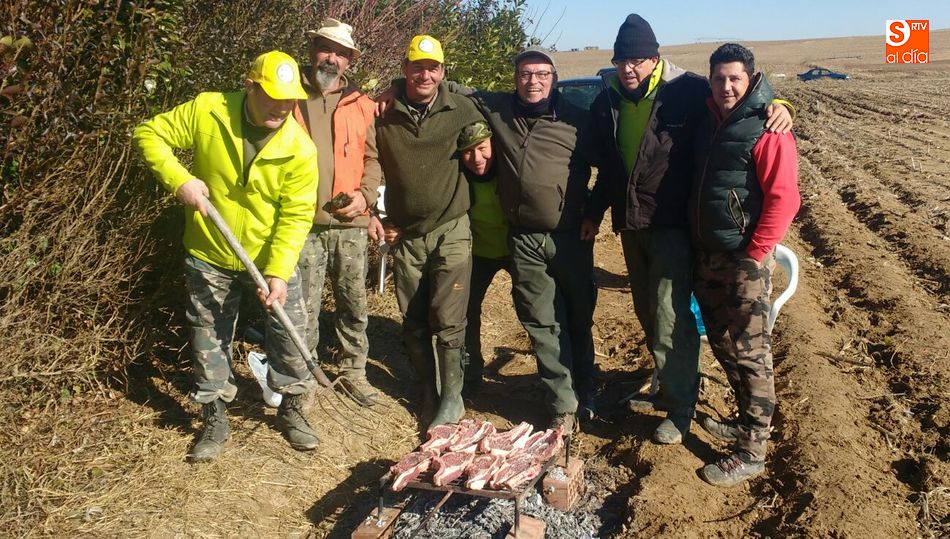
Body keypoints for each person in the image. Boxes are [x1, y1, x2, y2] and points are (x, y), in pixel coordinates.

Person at [582, 14, 792, 445]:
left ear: (654, 57)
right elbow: (608, 167)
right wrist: (593, 212)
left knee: (678, 321)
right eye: (622, 60)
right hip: (640, 228)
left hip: (680, 229)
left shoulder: (688, 91)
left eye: (637, 59)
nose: (629, 68)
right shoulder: (609, 103)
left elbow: (745, 112)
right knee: (659, 317)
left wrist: (781, 106)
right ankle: (680, 392)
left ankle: (688, 413)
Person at [133, 51, 321, 461]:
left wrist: (277, 273)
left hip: (269, 253)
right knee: (208, 334)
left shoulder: (300, 149)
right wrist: (179, 179)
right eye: (273, 96)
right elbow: (149, 133)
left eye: (291, 99)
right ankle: (214, 415)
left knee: (292, 330)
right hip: (210, 250)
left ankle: (292, 408)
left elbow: (295, 216)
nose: (283, 107)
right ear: (250, 86)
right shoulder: (208, 110)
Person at [444, 47, 602, 431]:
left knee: (578, 317)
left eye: (542, 74)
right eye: (525, 74)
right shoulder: (500, 110)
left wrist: (593, 213)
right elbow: (453, 89)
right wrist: (399, 86)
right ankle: (562, 405)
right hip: (524, 240)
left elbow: (612, 169)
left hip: (570, 239)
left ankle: (587, 386)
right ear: (515, 78)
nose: (533, 81)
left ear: (554, 78)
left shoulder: (577, 121)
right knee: (542, 322)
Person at [691, 43, 800, 487]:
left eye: (735, 78)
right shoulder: (708, 118)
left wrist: (756, 254)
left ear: (752, 78)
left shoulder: (768, 127)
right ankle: (744, 421)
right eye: (719, 79)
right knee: (721, 340)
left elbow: (784, 198)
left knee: (753, 353)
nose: (726, 86)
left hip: (745, 260)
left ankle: (753, 449)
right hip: (710, 254)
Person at [375, 35, 484, 430]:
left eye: (432, 67)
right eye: (417, 66)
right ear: (404, 69)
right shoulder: (381, 111)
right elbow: (363, 162)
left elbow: (494, 118)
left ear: (442, 72)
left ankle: (452, 398)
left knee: (449, 317)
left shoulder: (461, 108)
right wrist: (376, 214)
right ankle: (428, 390)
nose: (425, 74)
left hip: (451, 226)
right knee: (415, 320)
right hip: (405, 234)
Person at [292, 19, 382, 407]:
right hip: (301, 224)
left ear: (350, 62)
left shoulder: (362, 105)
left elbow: (373, 157)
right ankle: (304, 375)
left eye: (341, 53)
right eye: (326, 49)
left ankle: (353, 372)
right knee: (304, 306)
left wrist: (366, 197)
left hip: (351, 223)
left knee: (352, 301)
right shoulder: (287, 96)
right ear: (312, 51)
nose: (332, 58)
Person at [456, 121, 512, 396]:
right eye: (467, 152)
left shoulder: (511, 170)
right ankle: (470, 370)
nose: (476, 159)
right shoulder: (457, 179)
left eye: (482, 148)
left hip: (516, 250)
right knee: (465, 310)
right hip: (479, 252)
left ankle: (550, 373)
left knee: (534, 309)